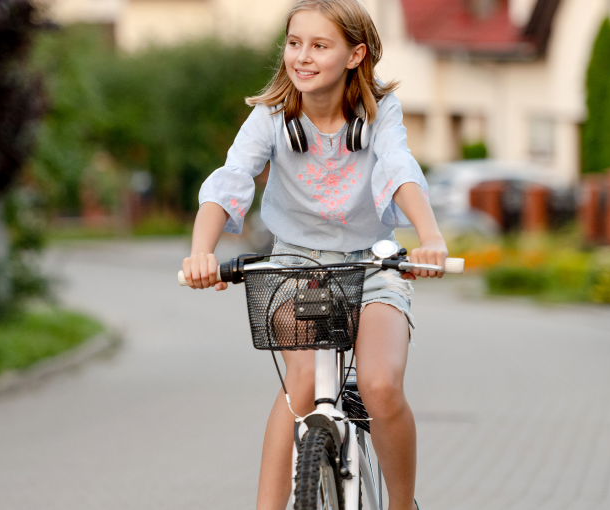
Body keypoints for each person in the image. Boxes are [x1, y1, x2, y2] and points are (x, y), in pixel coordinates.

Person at [181, 1, 446, 508]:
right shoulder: (272, 118)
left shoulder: (377, 114)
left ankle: (401, 504)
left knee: (379, 386)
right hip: (295, 264)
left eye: (320, 45)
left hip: (372, 262)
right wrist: (201, 252)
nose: (301, 57)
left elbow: (398, 167)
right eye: (294, 42)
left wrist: (430, 238)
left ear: (355, 54)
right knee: (300, 387)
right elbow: (232, 180)